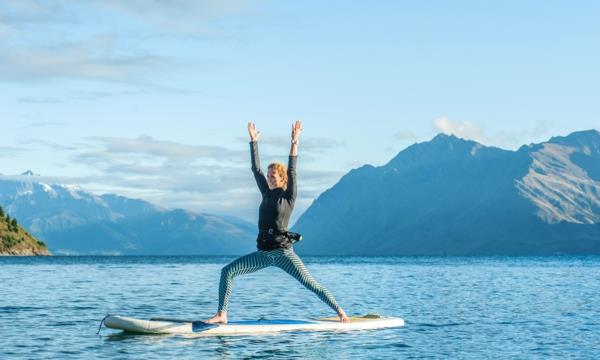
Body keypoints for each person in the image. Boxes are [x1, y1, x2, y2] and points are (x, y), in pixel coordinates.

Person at [205, 120, 349, 324]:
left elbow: (292, 170)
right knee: (227, 271)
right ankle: (222, 314)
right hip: (263, 254)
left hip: (283, 253)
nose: (270, 179)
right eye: (269, 176)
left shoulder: (289, 197)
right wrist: (253, 142)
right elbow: (256, 170)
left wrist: (294, 141)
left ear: (282, 179)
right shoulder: (265, 193)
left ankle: (341, 312)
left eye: (273, 176)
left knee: (310, 283)